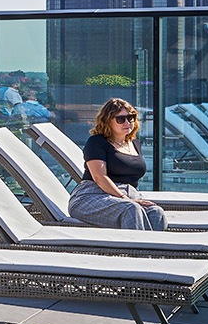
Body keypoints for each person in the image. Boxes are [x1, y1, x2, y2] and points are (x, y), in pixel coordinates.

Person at [67, 98, 166, 231]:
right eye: (121, 119)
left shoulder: (134, 144)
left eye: (131, 117)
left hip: (126, 195)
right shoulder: (97, 142)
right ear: (108, 121)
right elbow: (99, 178)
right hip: (91, 196)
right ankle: (136, 251)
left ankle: (154, 250)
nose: (127, 122)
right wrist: (124, 198)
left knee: (156, 212)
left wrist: (129, 197)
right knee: (131, 209)